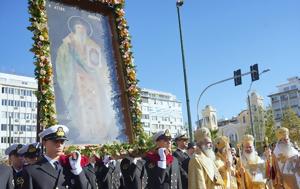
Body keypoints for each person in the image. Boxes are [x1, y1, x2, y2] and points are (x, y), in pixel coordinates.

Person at [55, 16, 119, 144]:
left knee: (96, 108)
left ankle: (99, 132)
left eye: (82, 27)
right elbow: (62, 62)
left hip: (93, 82)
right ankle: (84, 132)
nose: (81, 30)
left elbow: (99, 64)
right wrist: (72, 57)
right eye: (78, 27)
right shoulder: (68, 42)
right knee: (81, 107)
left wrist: (96, 72)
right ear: (73, 29)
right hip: (77, 81)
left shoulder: (93, 45)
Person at [22, 124, 90, 189]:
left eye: (62, 141)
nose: (59, 145)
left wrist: (77, 170)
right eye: (55, 141)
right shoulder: (31, 170)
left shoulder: (70, 167)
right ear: (44, 142)